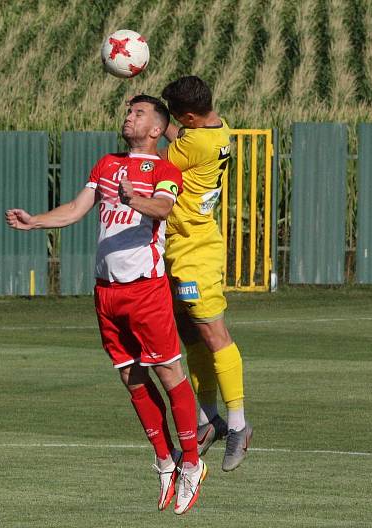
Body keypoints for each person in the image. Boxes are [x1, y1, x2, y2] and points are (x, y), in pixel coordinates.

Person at [5, 95, 206, 515]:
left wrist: (135, 200)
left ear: (156, 128)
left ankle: (191, 461)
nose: (128, 117)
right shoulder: (107, 164)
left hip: (146, 290)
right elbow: (78, 209)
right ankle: (165, 461)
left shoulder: (164, 169)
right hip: (106, 291)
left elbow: (165, 207)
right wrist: (35, 220)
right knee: (131, 377)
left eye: (138, 113)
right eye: (128, 111)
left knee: (169, 373)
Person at [158, 76, 252, 472]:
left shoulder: (194, 143)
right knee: (191, 333)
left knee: (214, 334)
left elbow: (157, 159)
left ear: (190, 117)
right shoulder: (216, 128)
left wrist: (154, 121)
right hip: (179, 247)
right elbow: (179, 135)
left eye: (177, 118)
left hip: (197, 250)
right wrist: (164, 117)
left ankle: (238, 425)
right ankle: (208, 418)